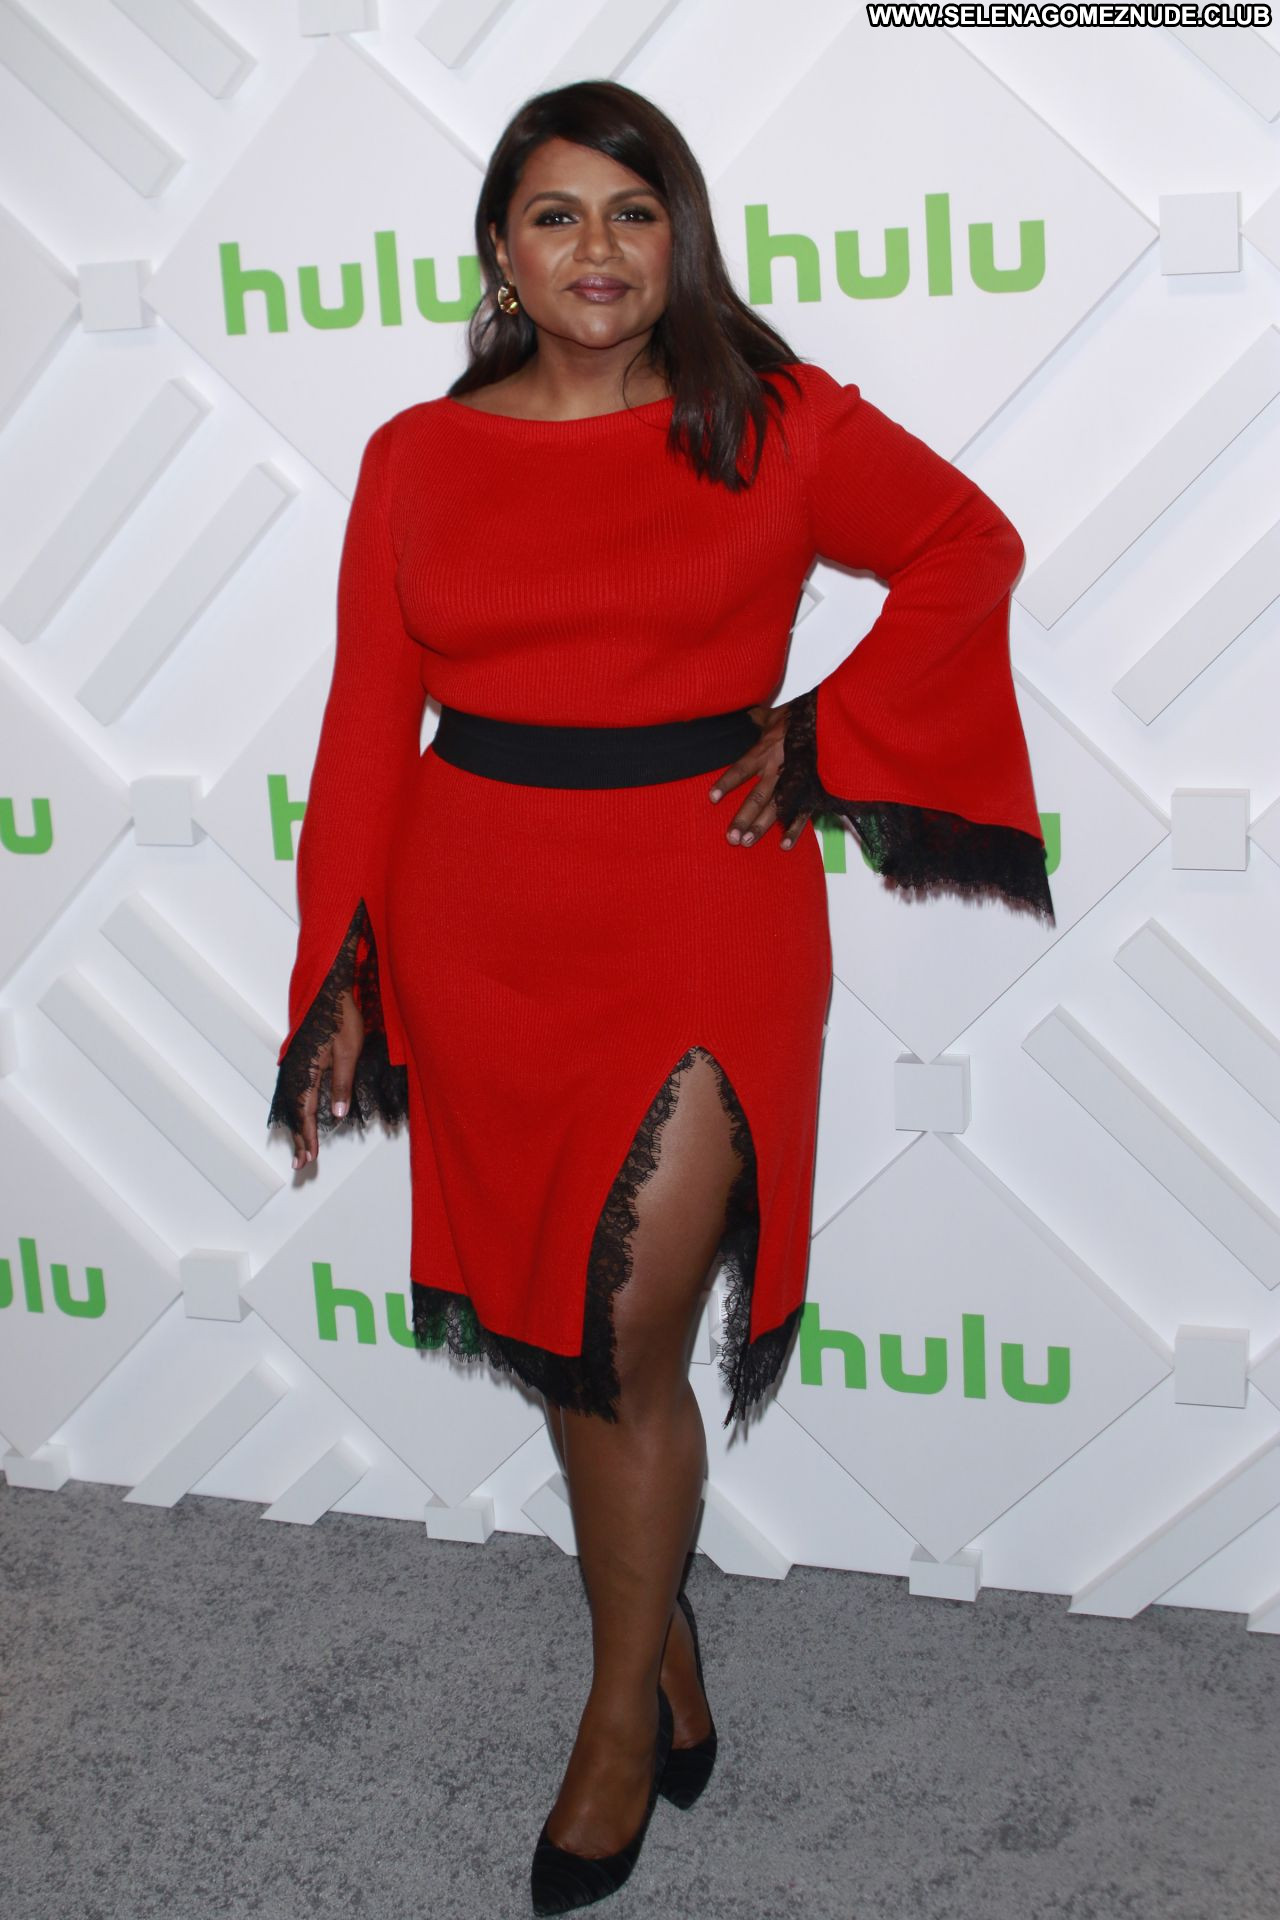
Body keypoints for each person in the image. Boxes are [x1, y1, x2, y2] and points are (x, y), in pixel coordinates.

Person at [268, 78, 1055, 1916]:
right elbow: (369, 719)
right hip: (479, 925)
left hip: (705, 915)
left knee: (624, 1336)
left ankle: (616, 1716)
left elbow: (969, 548)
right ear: (501, 249)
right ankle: (667, 1642)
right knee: (572, 1325)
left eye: (633, 212)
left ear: (679, 237)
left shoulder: (771, 424)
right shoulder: (416, 455)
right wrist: (339, 972)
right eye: (557, 215)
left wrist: (831, 729)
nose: (598, 249)